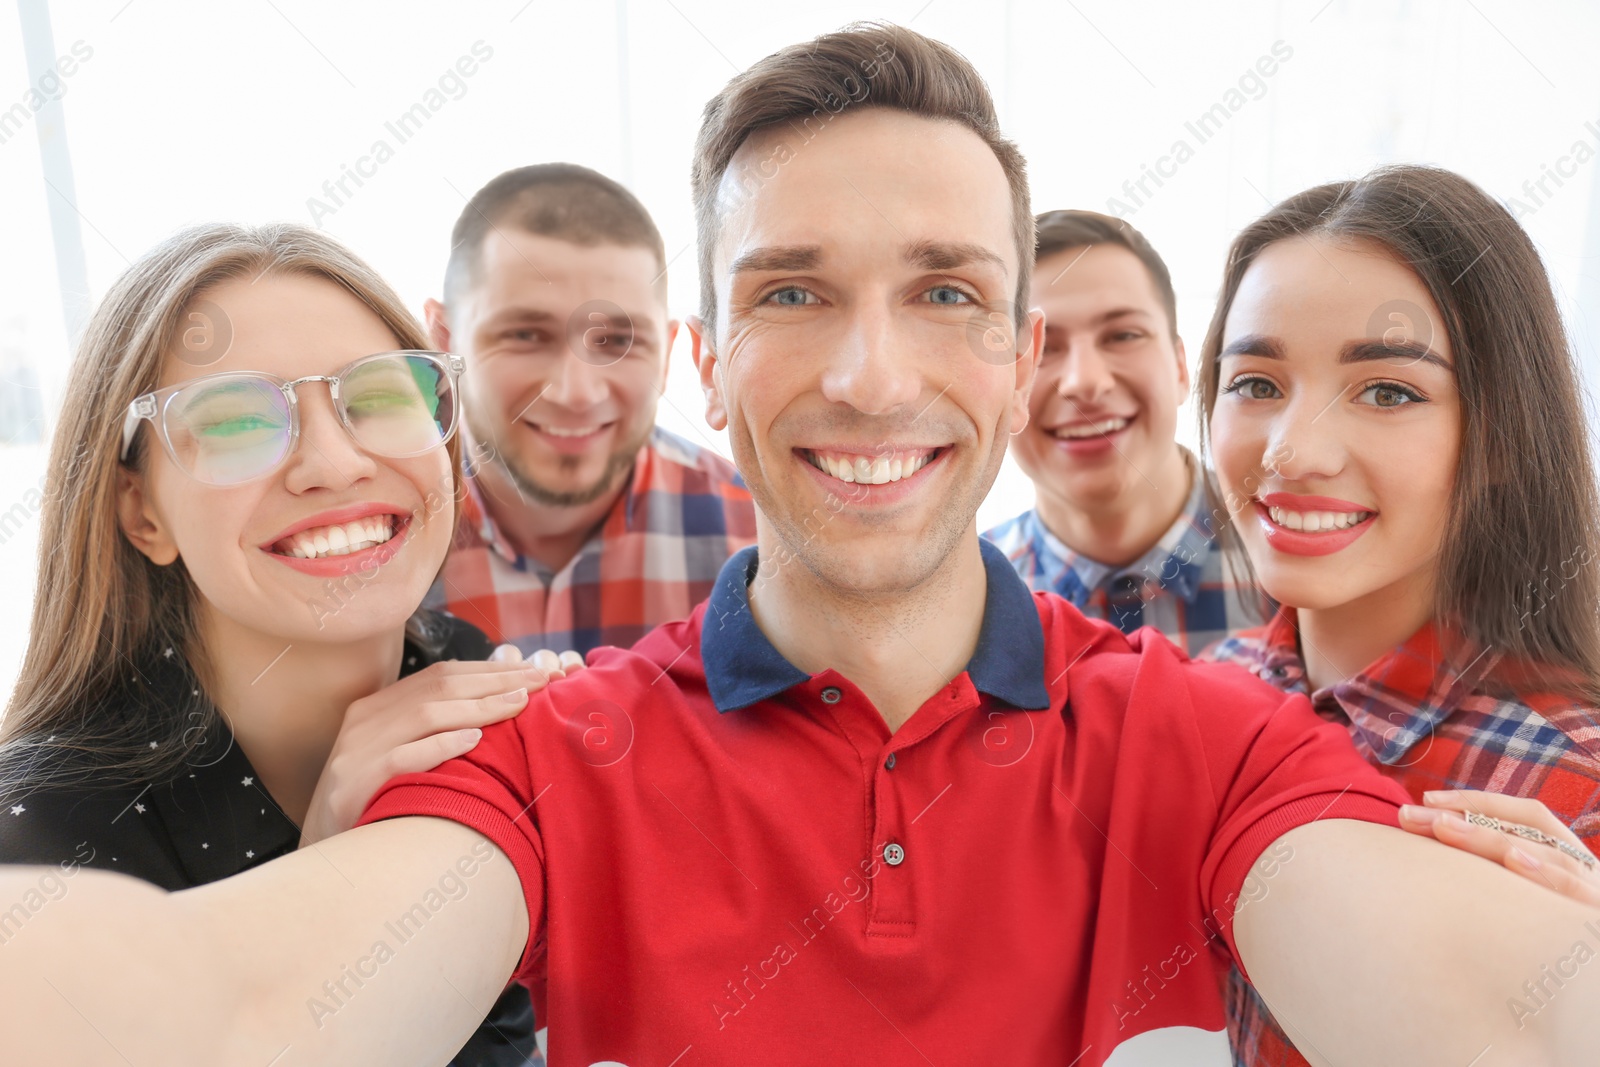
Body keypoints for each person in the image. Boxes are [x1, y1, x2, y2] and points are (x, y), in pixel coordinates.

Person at [2, 24, 1599, 1067]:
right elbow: (233, 1008)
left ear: (1017, 351)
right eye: (791, 291)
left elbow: (1486, 1014)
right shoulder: (542, 744)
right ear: (711, 359)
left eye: (949, 294)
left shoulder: (1218, 737)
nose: (871, 375)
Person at [0, 222, 582, 1066]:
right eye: (236, 419)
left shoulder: (458, 664)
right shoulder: (43, 840)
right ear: (141, 513)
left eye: (380, 396)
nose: (335, 462)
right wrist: (331, 877)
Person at [1196, 164, 1600, 1065]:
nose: (1293, 451)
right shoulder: (1200, 691)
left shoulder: (1575, 787)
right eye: (1256, 382)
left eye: (1387, 392)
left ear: (1499, 437)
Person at [422, 164, 756, 656]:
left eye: (615, 342)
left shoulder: (760, 542)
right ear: (444, 342)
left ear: (665, 356)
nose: (575, 393)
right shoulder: (375, 533)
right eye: (525, 336)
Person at [985, 210, 1257, 655]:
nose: (1084, 381)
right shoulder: (959, 600)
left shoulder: (1289, 556)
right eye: (1043, 349)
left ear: (1180, 366)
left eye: (1123, 335)